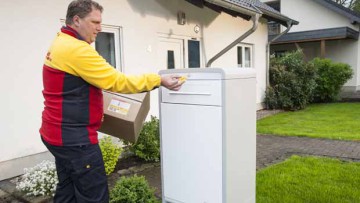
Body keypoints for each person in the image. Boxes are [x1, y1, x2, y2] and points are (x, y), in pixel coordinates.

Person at [39, 0, 183, 202]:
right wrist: (158, 80)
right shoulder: (77, 50)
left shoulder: (60, 41)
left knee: (67, 190)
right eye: (95, 22)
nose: (99, 28)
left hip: (55, 133)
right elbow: (116, 81)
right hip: (74, 139)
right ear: (77, 20)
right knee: (94, 196)